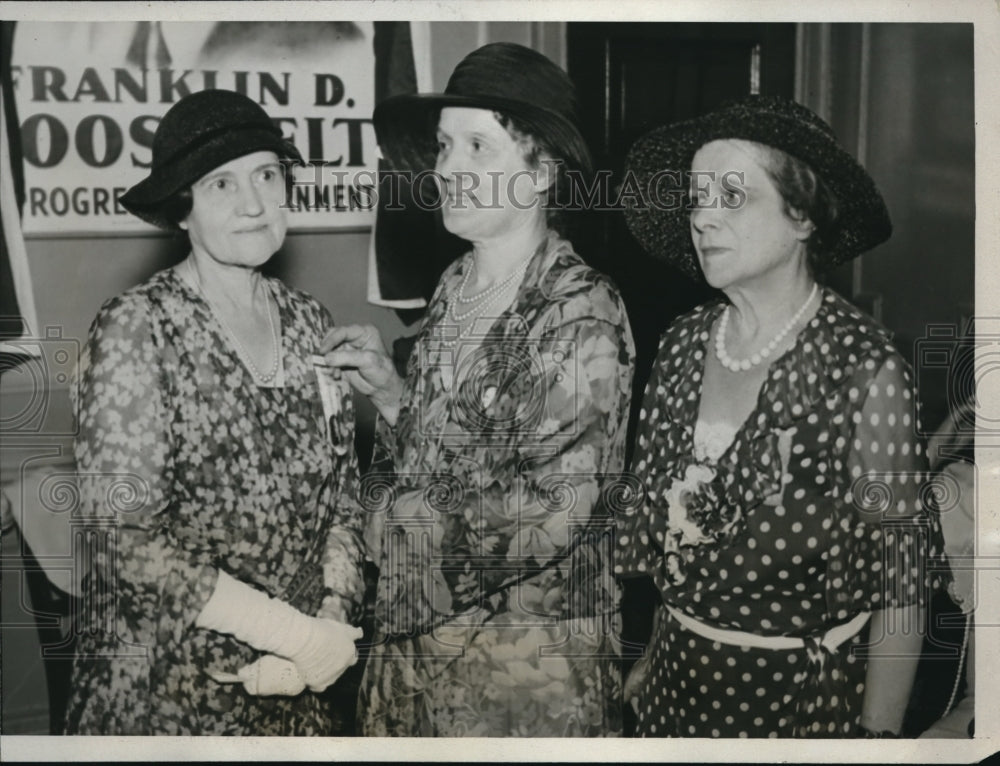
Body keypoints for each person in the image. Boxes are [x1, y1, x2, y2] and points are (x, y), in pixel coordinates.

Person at [322, 43, 635, 736]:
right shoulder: (456, 284)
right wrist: (395, 397)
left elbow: (553, 511)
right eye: (442, 147)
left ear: (540, 172)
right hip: (414, 670)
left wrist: (381, 529)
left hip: (521, 687)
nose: (448, 170)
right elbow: (449, 455)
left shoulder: (580, 312)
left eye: (477, 148)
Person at [615, 95, 949, 738]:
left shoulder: (862, 370)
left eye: (732, 197)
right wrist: (656, 654)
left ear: (802, 216)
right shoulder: (682, 344)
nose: (704, 218)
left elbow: (902, 587)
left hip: (797, 710)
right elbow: (677, 542)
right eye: (696, 199)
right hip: (674, 689)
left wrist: (876, 740)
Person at [64, 89, 365, 735]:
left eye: (267, 174)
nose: (254, 203)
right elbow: (123, 540)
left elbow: (343, 501)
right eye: (221, 183)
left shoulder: (311, 321)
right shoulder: (138, 329)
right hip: (169, 694)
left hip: (293, 688)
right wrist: (288, 632)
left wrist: (331, 626)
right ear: (183, 210)